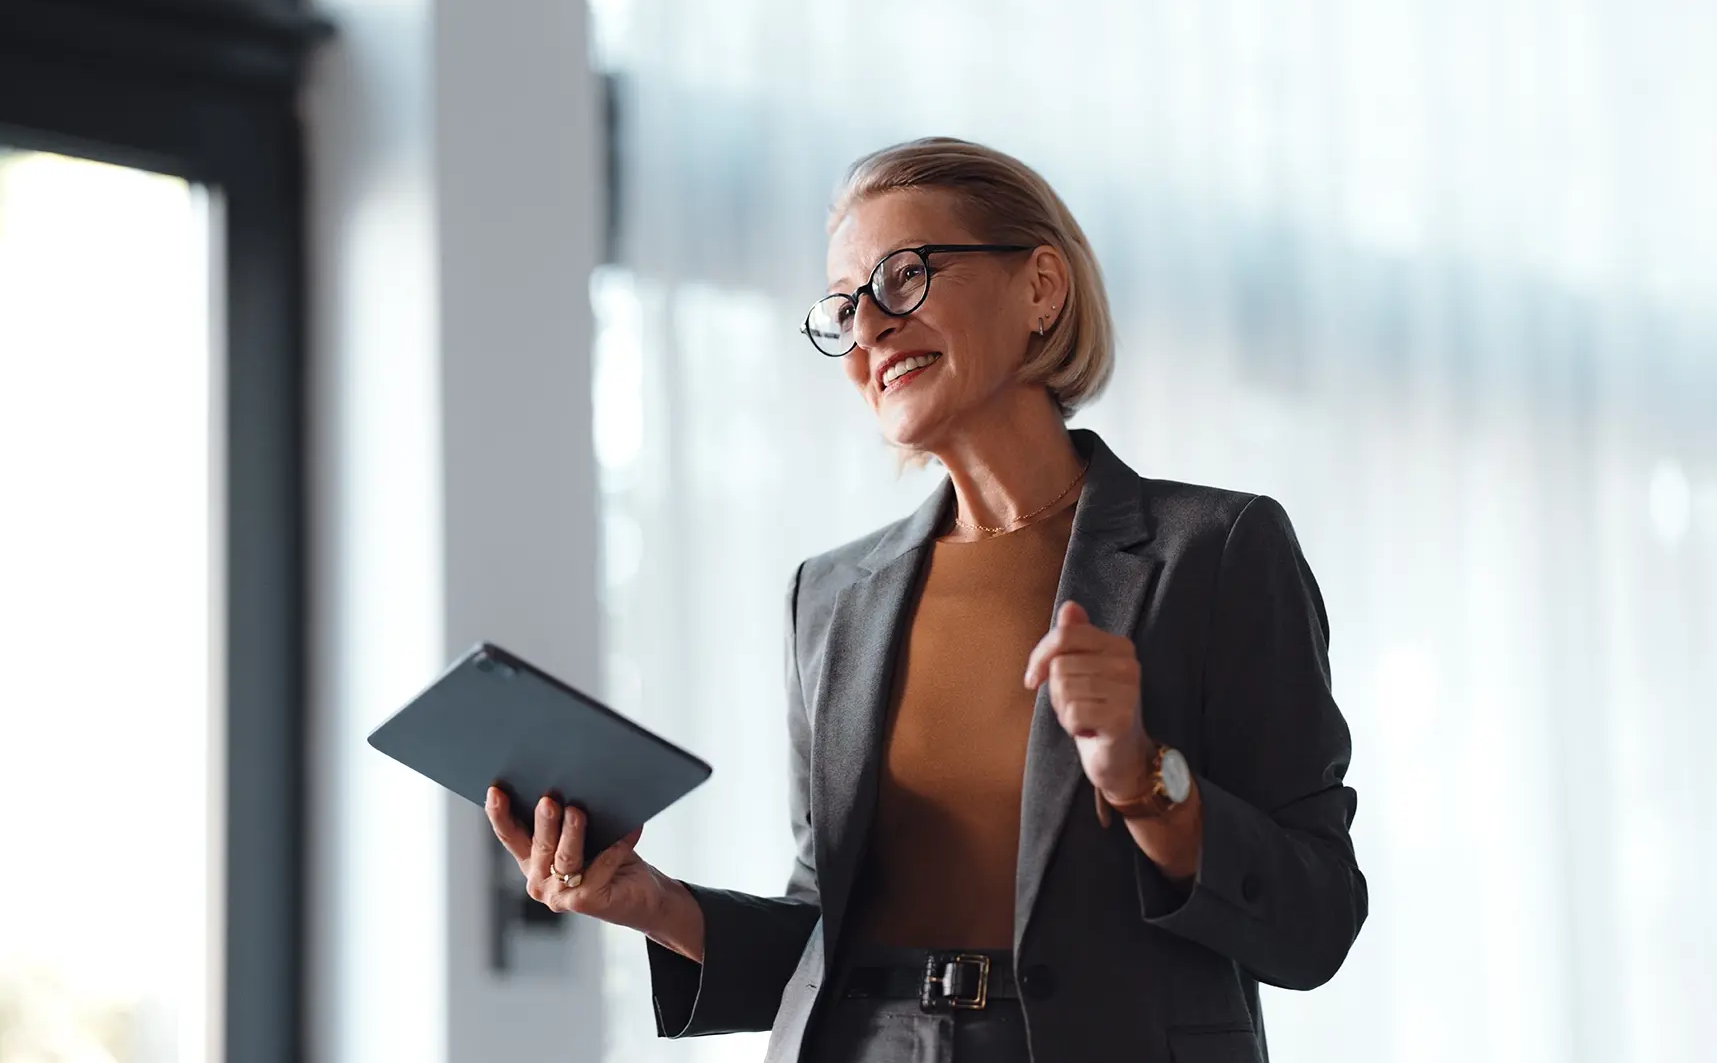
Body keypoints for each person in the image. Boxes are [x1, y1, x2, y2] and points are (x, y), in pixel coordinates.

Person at [484, 137, 1366, 1063]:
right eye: (843, 307)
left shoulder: (1218, 552)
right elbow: (827, 933)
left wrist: (1148, 779)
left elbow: (1316, 920)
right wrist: (655, 904)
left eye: (903, 277)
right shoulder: (827, 598)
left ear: (1041, 289)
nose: (867, 329)